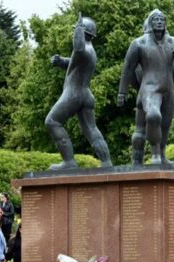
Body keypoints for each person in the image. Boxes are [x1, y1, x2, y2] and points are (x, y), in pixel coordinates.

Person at [118, 9, 174, 165]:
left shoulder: (172, 42)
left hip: (168, 91)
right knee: (153, 116)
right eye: (155, 19)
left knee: (165, 125)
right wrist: (123, 91)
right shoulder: (139, 43)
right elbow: (127, 69)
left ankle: (162, 154)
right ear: (150, 22)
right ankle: (154, 154)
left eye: (162, 19)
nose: (159, 22)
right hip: (149, 89)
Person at [45, 13, 112, 170]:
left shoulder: (83, 48)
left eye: (75, 31)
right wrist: (62, 61)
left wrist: (78, 29)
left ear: (82, 32)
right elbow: (76, 61)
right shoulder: (90, 50)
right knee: (91, 129)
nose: (73, 33)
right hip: (85, 95)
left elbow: (78, 49)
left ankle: (69, 162)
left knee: (52, 121)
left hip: (73, 94)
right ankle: (106, 162)